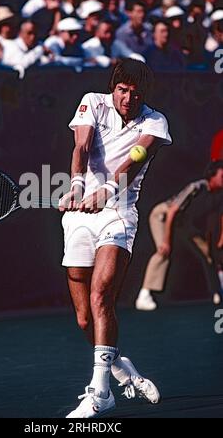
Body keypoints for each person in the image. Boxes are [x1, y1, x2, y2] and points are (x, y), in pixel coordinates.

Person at [59, 59, 172, 418]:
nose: (127, 97)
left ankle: (100, 392)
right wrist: (77, 186)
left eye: (135, 92)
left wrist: (106, 190)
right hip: (79, 216)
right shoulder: (92, 101)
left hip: (120, 215)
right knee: (83, 318)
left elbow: (136, 158)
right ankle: (121, 368)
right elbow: (81, 147)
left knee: (101, 295)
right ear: (114, 88)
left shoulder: (155, 121)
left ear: (143, 94)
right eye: (122, 90)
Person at [136, 161, 223, 311]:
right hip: (163, 215)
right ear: (212, 176)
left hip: (183, 223)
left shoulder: (217, 195)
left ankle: (217, 292)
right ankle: (144, 295)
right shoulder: (196, 187)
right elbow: (172, 212)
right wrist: (166, 241)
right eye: (222, 175)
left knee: (208, 253)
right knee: (163, 251)